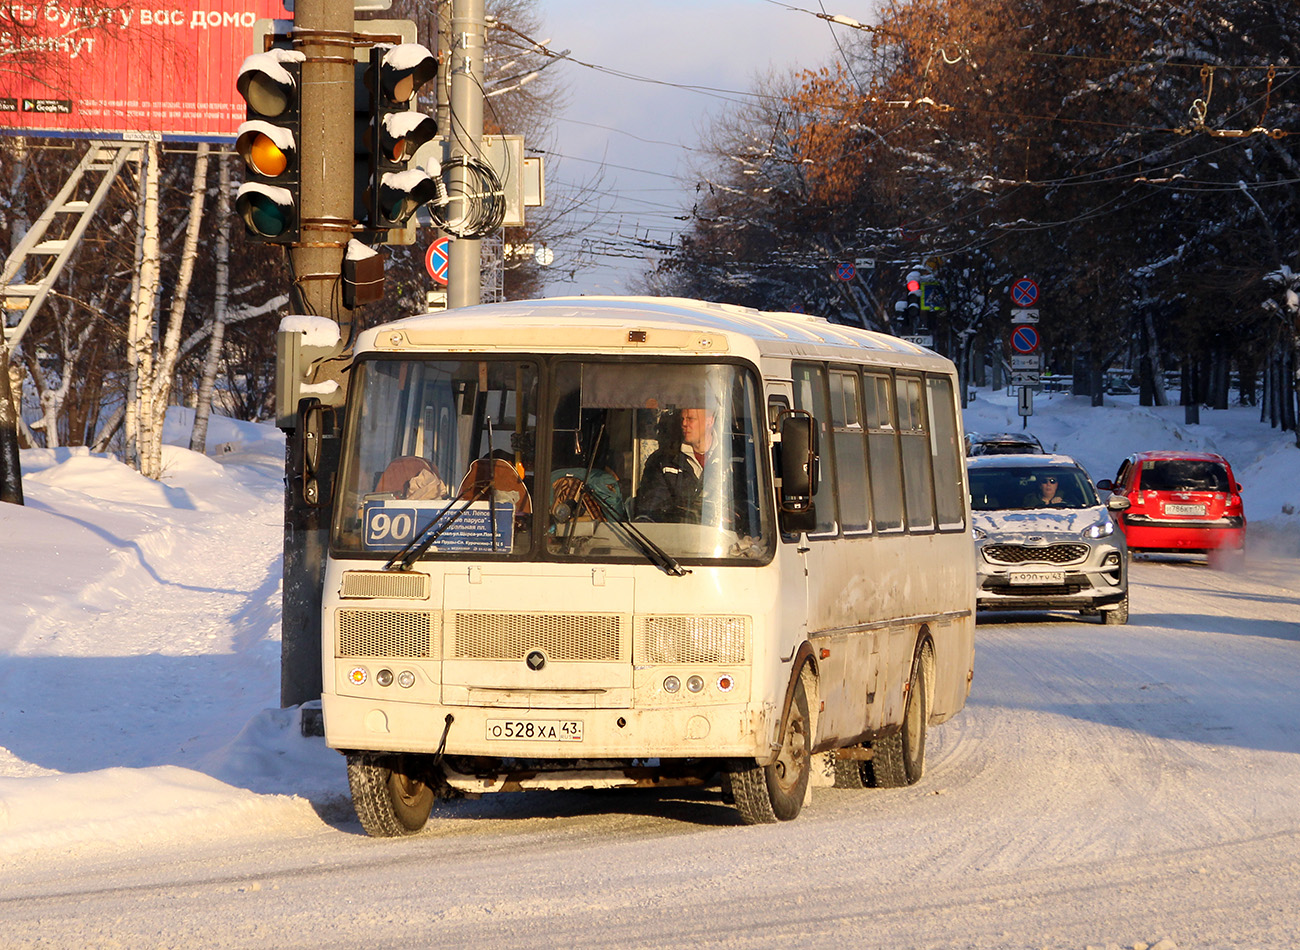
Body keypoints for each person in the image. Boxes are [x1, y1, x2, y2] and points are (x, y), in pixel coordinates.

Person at [636, 407, 718, 522]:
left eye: (691, 419)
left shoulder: (734, 458)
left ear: (710, 421)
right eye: (682, 419)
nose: (684, 424)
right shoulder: (662, 461)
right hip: (676, 535)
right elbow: (651, 511)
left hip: (722, 536)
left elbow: (746, 505)